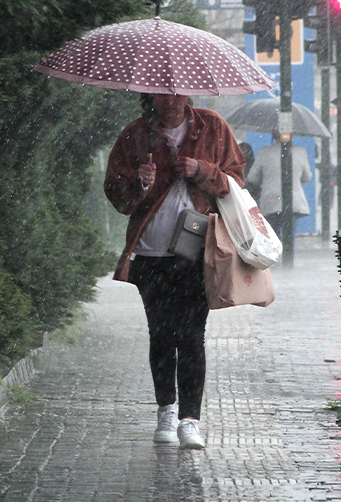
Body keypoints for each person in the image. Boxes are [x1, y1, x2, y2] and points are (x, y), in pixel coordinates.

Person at [105, 93, 245, 450]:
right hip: (151, 253)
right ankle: (166, 411)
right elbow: (117, 197)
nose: (170, 99)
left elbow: (237, 183)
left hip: (197, 251)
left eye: (177, 91)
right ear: (149, 95)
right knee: (161, 335)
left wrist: (203, 172)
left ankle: (190, 420)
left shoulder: (212, 127)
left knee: (192, 335)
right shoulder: (135, 135)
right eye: (162, 93)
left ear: (188, 93)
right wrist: (138, 183)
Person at [246, 130, 313, 239]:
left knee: (273, 236)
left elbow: (252, 178)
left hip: (270, 201)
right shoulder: (300, 152)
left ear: (273, 135)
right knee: (289, 236)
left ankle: (277, 254)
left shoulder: (264, 152)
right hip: (293, 200)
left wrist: (267, 179)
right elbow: (307, 177)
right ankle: (288, 254)